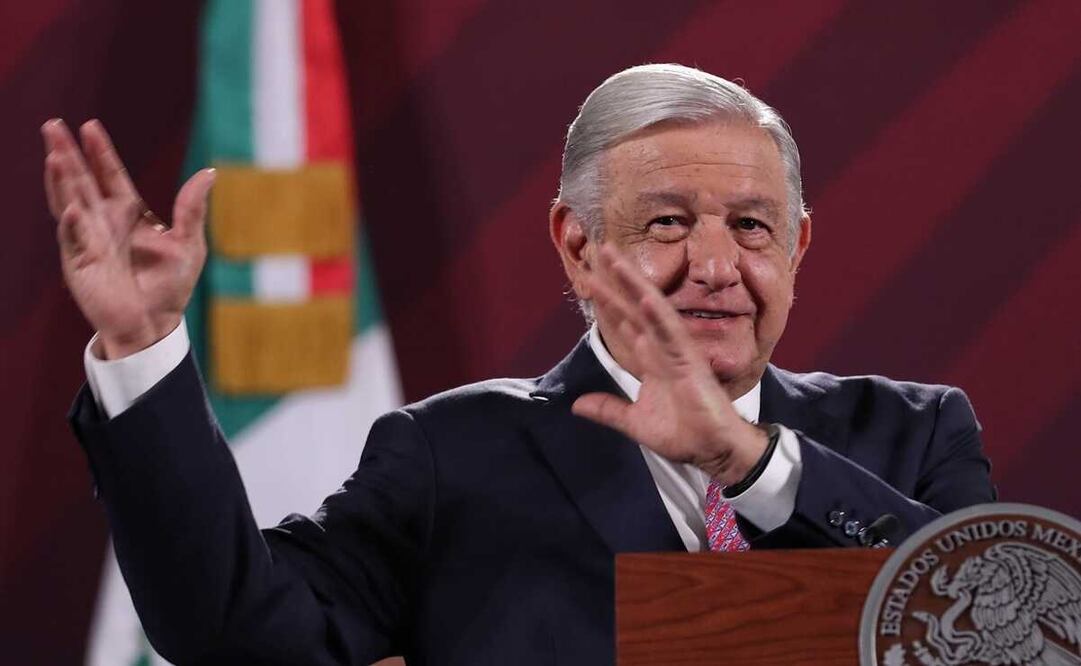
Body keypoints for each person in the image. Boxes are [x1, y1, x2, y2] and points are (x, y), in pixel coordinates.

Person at [45, 64, 994, 665]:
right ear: (577, 247)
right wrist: (144, 348)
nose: (714, 265)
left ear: (796, 249)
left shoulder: (913, 433)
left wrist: (748, 462)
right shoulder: (449, 454)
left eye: (752, 227)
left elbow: (1010, 637)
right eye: (667, 222)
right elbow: (233, 631)